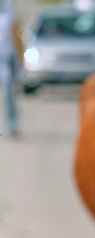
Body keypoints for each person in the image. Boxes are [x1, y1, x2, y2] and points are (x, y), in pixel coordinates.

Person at [0, 0, 21, 139]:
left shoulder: (8, 14)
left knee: (8, 93)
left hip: (6, 58)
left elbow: (16, 37)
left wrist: (21, 58)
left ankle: (12, 125)